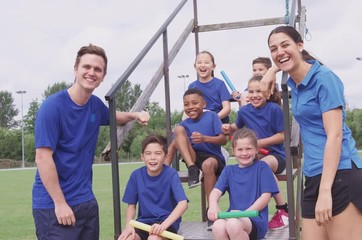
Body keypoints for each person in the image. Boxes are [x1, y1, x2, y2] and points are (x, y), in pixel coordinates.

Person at [32, 44, 151, 240]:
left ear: (103, 76)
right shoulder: (52, 107)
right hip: (53, 206)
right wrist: (60, 203)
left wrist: (135, 115)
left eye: (98, 69)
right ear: (75, 69)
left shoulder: (95, 106)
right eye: (86, 67)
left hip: (86, 202)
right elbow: (43, 158)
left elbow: (115, 116)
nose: (91, 72)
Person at [262, 26, 362, 240]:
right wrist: (271, 71)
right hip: (313, 176)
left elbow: (335, 136)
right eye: (273, 49)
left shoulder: (324, 78)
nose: (279, 52)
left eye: (285, 45)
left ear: (300, 45)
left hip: (340, 175)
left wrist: (325, 191)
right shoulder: (296, 83)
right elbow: (284, 63)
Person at [222, 75, 290, 230]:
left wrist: (259, 143)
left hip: (276, 155)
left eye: (259, 91)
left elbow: (283, 135)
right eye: (251, 91)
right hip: (255, 156)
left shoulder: (274, 109)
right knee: (249, 167)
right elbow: (237, 126)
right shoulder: (244, 111)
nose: (254, 95)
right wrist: (228, 128)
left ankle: (283, 209)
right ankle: (247, 212)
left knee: (262, 166)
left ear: (268, 92)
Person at [165, 88, 227, 230]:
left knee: (207, 164)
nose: (190, 107)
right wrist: (165, 167)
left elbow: (223, 140)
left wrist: (205, 138)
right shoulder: (185, 125)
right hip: (194, 158)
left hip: (213, 158)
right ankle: (192, 168)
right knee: (178, 130)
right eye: (186, 104)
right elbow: (174, 145)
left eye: (195, 103)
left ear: (203, 104)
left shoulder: (211, 116)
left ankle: (211, 210)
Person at [207, 128, 279, 240]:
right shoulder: (229, 170)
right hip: (234, 217)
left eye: (248, 149)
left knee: (233, 224)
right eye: (240, 149)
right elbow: (216, 191)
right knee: (217, 226)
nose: (244, 153)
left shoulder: (262, 168)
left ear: (256, 149)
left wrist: (245, 213)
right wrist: (213, 205)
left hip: (254, 219)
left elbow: (266, 196)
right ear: (233, 151)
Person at [118, 135, 188, 240]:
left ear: (166, 156)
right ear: (142, 157)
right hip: (143, 224)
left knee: (154, 239)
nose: (152, 157)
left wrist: (163, 225)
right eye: (148, 153)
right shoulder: (136, 175)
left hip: (165, 224)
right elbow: (131, 206)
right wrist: (128, 225)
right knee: (127, 238)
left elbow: (183, 204)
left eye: (158, 153)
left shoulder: (171, 174)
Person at [187, 51, 232, 123]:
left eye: (206, 62)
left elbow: (227, 108)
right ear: (195, 66)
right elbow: (189, 108)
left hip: (218, 120)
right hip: (198, 120)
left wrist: (212, 119)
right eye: (199, 62)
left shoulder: (219, 84)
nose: (203, 65)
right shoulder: (192, 86)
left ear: (213, 66)